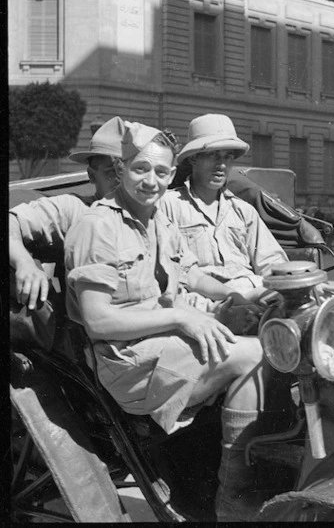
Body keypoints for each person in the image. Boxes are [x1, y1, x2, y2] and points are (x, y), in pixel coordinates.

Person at [64, 122, 274, 521]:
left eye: (162, 173)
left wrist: (239, 296)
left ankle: (260, 471)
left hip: (163, 340)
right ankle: (235, 500)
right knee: (255, 356)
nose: (152, 181)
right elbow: (98, 322)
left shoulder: (159, 219)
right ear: (120, 168)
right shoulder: (98, 225)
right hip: (127, 360)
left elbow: (189, 274)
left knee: (274, 336)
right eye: (141, 169)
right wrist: (182, 317)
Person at [160, 114, 289, 332]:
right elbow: (176, 279)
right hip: (212, 309)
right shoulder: (169, 206)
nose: (221, 165)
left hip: (259, 297)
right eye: (212, 155)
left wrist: (293, 284)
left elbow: (272, 263)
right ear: (193, 159)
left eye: (228, 157)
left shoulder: (243, 211)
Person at [10, 116, 125, 311]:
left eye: (129, 169)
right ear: (91, 176)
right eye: (112, 172)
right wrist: (24, 263)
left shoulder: (154, 212)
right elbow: (10, 221)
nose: (122, 179)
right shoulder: (75, 208)